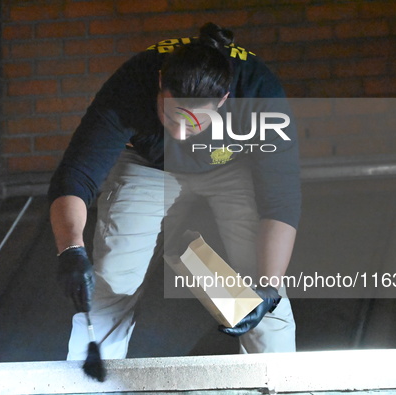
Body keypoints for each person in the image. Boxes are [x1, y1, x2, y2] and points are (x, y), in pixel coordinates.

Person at [48, 22, 301, 360]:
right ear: (159, 83)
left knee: (261, 291)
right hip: (148, 165)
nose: (181, 133)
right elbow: (76, 176)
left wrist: (268, 289)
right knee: (113, 281)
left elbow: (281, 201)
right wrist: (71, 251)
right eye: (170, 117)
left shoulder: (259, 94)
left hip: (232, 165)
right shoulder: (130, 84)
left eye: (195, 122)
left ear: (224, 99)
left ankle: (279, 379)